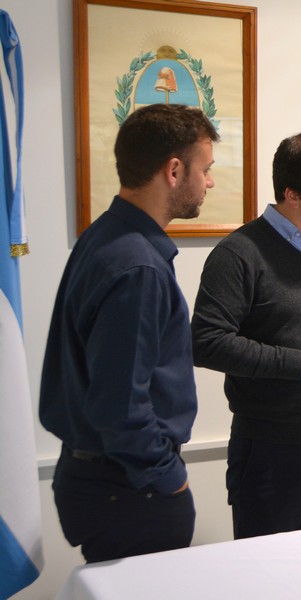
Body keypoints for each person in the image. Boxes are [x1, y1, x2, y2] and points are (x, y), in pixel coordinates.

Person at [39, 103, 218, 563]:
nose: (210, 182)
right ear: (173, 171)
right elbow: (120, 405)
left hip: (103, 478)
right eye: (205, 169)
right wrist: (168, 476)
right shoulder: (138, 266)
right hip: (131, 487)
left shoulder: (105, 237)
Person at [191, 131, 301, 539]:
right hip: (270, 452)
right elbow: (207, 342)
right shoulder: (237, 255)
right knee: (268, 570)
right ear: (292, 194)